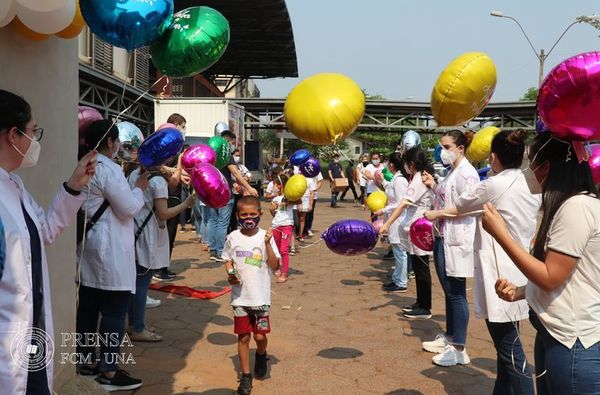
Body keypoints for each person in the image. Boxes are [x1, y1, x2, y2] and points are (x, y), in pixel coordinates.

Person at [483, 133, 600, 394]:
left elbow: (551, 276)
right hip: (555, 335)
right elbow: (571, 277)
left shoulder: (577, 207)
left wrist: (501, 233)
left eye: (531, 162)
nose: (528, 170)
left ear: (546, 167)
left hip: (574, 344)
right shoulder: (564, 206)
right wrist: (522, 292)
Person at [0, 90, 97, 395]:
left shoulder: (14, 185)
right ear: (13, 135)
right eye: (33, 132)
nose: (34, 140)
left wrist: (74, 186)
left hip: (31, 330)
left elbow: (45, 232)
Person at [427, 130, 539, 392]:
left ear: (493, 156)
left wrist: (436, 212)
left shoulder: (492, 185)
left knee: (510, 350)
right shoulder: (531, 183)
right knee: (507, 346)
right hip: (521, 267)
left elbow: (462, 203)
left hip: (498, 271)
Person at [76, 120, 147, 391]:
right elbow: (128, 208)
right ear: (110, 142)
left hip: (90, 245)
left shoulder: (85, 163)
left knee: (88, 308)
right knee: (115, 311)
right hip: (109, 250)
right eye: (117, 141)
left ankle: (85, 363)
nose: (119, 146)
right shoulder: (108, 168)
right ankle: (108, 370)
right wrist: (139, 187)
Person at [421, 130, 479, 367]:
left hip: (456, 238)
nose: (442, 151)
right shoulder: (452, 172)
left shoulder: (468, 174)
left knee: (456, 292)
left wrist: (437, 213)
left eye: (446, 146)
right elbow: (448, 197)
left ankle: (459, 348)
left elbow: (469, 206)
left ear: (460, 148)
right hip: (443, 236)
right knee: (448, 290)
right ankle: (450, 336)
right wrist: (433, 185)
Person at [127, 166, 196, 342]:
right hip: (148, 234)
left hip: (135, 230)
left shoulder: (135, 173)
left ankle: (136, 323)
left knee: (136, 281)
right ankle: (138, 328)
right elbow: (164, 213)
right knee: (142, 282)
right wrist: (186, 204)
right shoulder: (157, 181)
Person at [222, 196, 280, 395]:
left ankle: (262, 354)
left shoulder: (265, 236)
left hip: (261, 299)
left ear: (260, 215)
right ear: (237, 216)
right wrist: (230, 274)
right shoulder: (233, 237)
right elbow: (228, 260)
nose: (249, 218)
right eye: (244, 215)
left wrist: (268, 245)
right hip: (240, 299)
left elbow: (275, 265)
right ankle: (246, 377)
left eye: (253, 215)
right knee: (244, 337)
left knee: (260, 335)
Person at [381, 147, 435, 319]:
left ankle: (424, 306)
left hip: (419, 228)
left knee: (421, 267)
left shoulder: (419, 179)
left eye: (406, 163)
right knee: (419, 266)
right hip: (416, 228)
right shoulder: (419, 177)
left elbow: (403, 204)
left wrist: (387, 223)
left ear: (411, 164)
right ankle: (420, 302)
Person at [208, 128, 258, 262]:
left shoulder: (210, 155)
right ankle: (219, 251)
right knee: (223, 223)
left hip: (211, 191)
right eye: (231, 142)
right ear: (226, 141)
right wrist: (249, 187)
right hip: (224, 192)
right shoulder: (226, 156)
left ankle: (212, 250)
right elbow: (236, 173)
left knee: (213, 221)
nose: (232, 145)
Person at [154, 113, 188, 280]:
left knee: (168, 233)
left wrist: (180, 175)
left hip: (170, 191)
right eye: (182, 126)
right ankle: (160, 269)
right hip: (168, 194)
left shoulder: (168, 147)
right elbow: (162, 168)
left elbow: (166, 169)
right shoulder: (167, 147)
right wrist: (180, 168)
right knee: (166, 232)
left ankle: (162, 267)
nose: (183, 129)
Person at [374, 152, 409, 293]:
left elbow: (400, 203)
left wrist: (383, 210)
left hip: (398, 219)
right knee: (397, 251)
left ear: (392, 165)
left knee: (400, 252)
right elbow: (391, 190)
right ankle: (397, 278)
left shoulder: (400, 180)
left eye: (389, 163)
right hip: (394, 218)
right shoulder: (396, 179)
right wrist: (383, 181)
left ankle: (401, 282)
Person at [270, 174, 296, 283]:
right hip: (276, 225)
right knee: (275, 249)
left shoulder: (290, 196)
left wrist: (285, 203)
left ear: (279, 185)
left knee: (284, 249)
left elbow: (297, 201)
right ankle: (277, 268)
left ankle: (284, 273)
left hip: (286, 225)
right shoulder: (275, 198)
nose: (273, 187)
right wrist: (272, 208)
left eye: (274, 185)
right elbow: (272, 212)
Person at [230, 149, 252, 233]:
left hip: (241, 193)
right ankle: (232, 228)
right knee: (233, 211)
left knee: (241, 209)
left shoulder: (241, 166)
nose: (238, 157)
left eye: (239, 155)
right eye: (236, 155)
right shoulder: (231, 167)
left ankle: (240, 225)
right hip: (233, 192)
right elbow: (234, 177)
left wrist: (246, 178)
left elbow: (249, 174)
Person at [362, 152, 385, 221]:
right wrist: (376, 178)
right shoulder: (369, 166)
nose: (375, 160)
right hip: (371, 191)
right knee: (374, 210)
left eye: (376, 158)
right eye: (373, 158)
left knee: (383, 209)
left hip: (381, 191)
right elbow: (367, 174)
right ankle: (375, 224)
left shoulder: (383, 166)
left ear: (379, 158)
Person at [304, 171, 323, 237]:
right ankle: (301, 229)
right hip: (302, 194)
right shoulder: (301, 168)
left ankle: (308, 228)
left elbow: (320, 181)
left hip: (313, 195)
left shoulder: (316, 169)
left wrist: (314, 189)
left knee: (310, 212)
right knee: (302, 213)